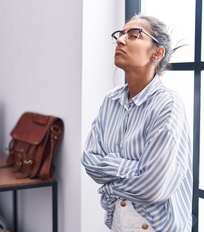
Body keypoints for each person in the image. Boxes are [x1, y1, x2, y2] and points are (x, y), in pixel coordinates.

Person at [81, 15, 193, 232]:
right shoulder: (110, 101)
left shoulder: (168, 105)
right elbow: (89, 161)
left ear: (157, 53)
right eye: (120, 35)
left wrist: (111, 179)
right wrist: (137, 169)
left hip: (156, 226)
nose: (121, 40)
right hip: (118, 222)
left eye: (133, 36)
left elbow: (154, 186)